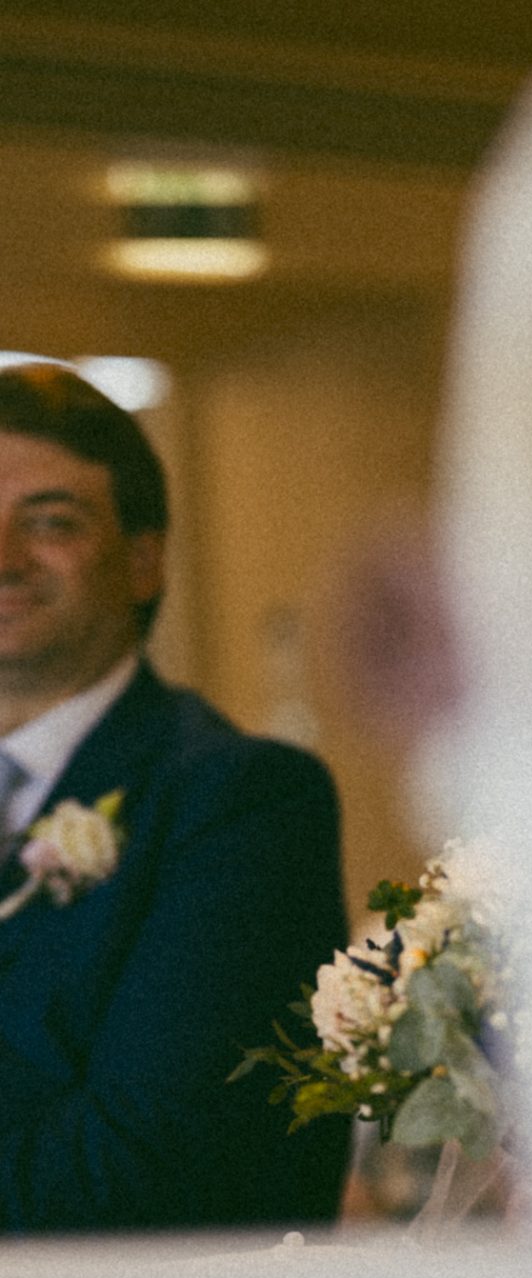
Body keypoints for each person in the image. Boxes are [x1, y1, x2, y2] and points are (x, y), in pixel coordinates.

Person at [0, 363, 350, 1233]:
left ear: (143, 560)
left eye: (50, 522)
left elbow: (146, 1168)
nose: (3, 558)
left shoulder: (241, 800)